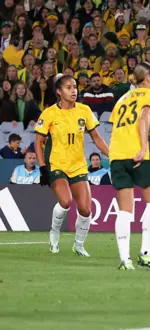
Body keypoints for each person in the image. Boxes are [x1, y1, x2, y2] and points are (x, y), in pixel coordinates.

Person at [34, 75, 109, 257]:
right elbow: (38, 142)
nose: (73, 90)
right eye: (68, 87)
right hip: (56, 164)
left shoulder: (84, 110)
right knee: (66, 201)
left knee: (85, 209)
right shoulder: (50, 113)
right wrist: (43, 167)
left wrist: (113, 157)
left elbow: (97, 138)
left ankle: (79, 245)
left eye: (75, 87)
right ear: (59, 92)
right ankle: (54, 233)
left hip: (78, 166)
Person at [108, 62, 150, 271]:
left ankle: (125, 259)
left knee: (124, 210)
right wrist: (142, 147)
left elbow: (115, 127)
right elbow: (143, 119)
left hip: (117, 154)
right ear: (148, 78)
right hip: (137, 152)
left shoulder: (122, 99)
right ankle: (146, 254)